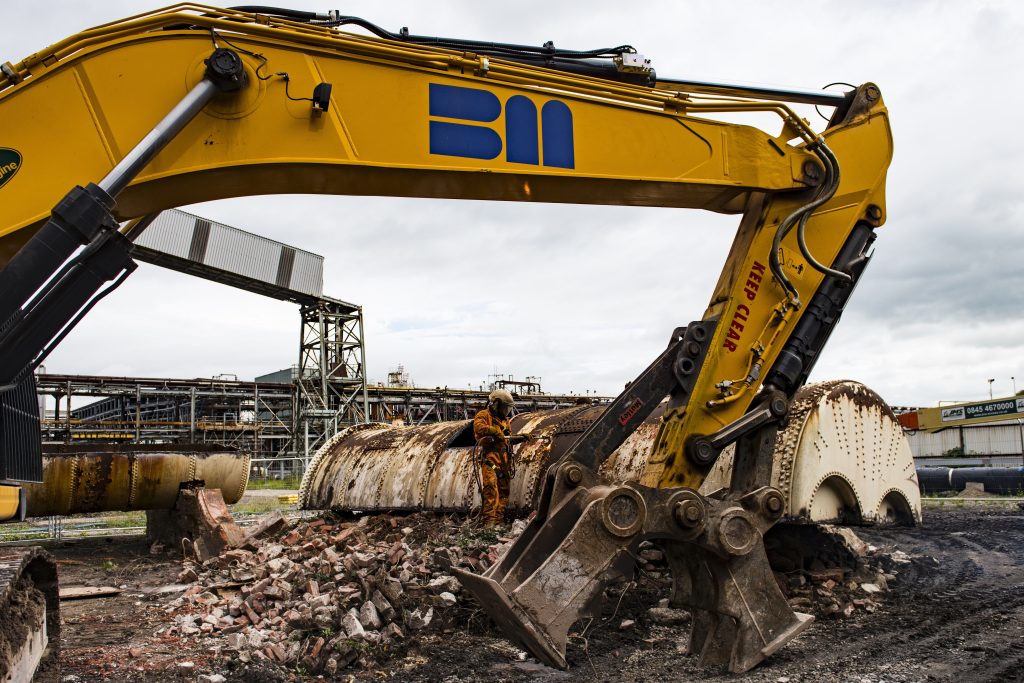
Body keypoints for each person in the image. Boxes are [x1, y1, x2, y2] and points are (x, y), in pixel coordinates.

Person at [474, 389, 527, 526]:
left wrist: (521, 438)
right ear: (496, 404)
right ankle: (489, 522)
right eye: (505, 407)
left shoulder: (505, 422)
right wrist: (494, 431)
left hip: (504, 461)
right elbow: (479, 428)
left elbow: (506, 440)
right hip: (490, 460)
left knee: (504, 492)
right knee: (491, 489)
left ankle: (498, 521)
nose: (507, 411)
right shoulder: (483, 415)